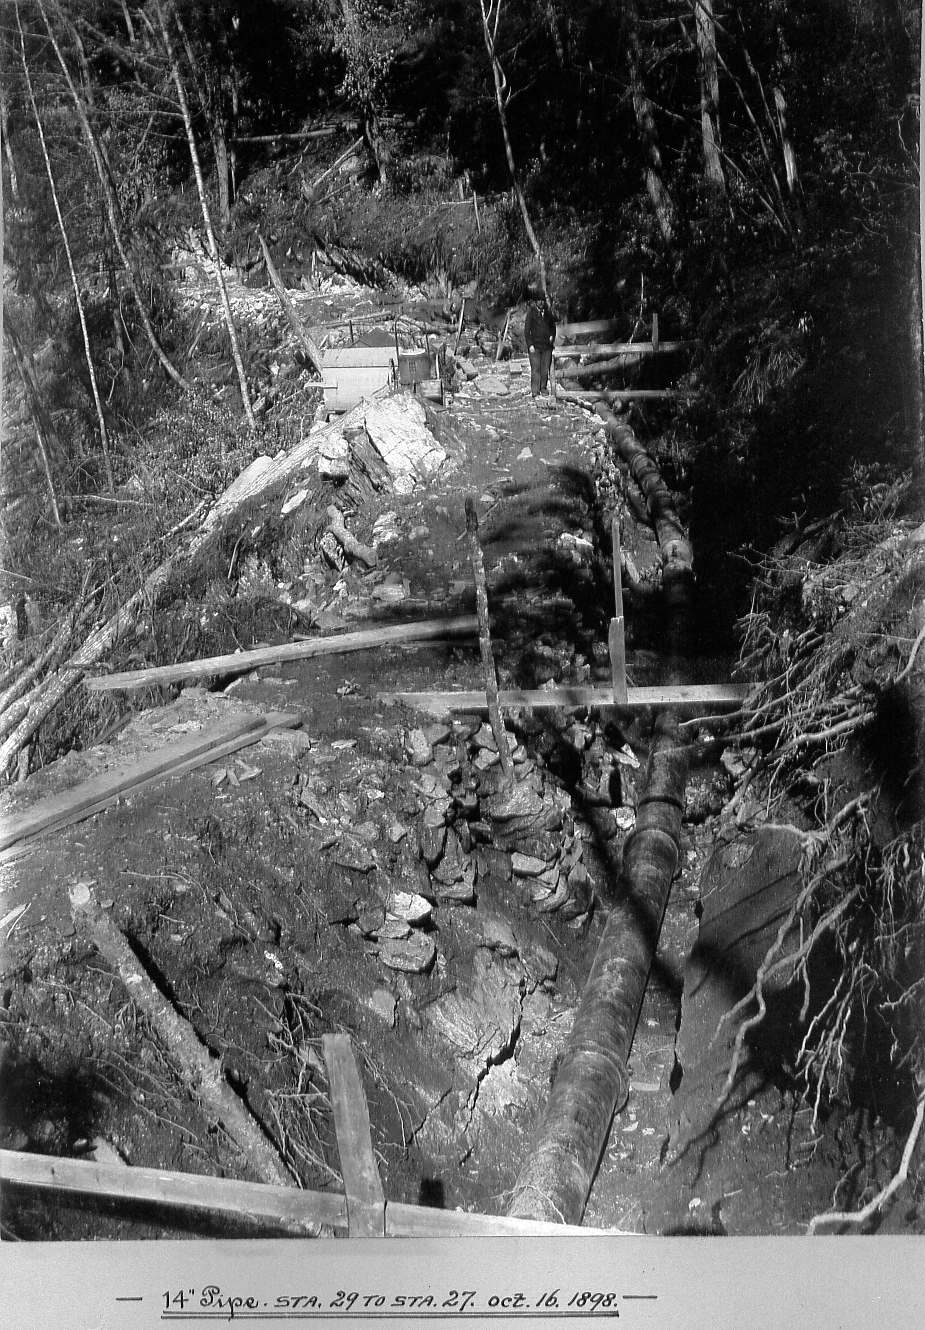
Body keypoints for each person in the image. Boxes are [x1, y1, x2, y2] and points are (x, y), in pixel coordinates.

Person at [524, 291, 556, 402]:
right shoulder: (531, 313)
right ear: (536, 302)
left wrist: (552, 337)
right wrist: (530, 345)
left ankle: (543, 388)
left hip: (547, 347)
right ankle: (535, 391)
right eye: (539, 300)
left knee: (544, 369)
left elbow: (553, 328)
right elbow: (526, 331)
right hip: (535, 347)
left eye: (542, 300)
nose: (541, 302)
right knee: (535, 369)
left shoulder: (548, 313)